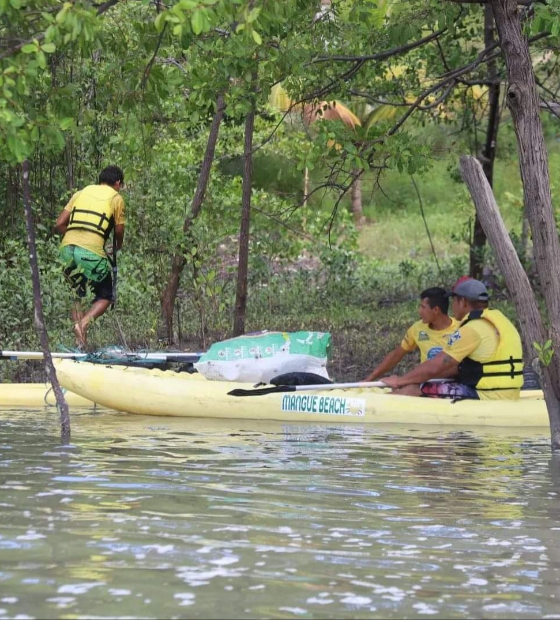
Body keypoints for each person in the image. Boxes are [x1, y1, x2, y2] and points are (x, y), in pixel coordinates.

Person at [382, 278, 524, 400]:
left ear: (462, 302)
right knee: (417, 383)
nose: (452, 306)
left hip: (486, 395)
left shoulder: (471, 329)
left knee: (414, 389)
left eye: (454, 300)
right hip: (510, 393)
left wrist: (400, 381)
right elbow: (453, 369)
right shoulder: (501, 321)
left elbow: (436, 366)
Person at [56, 165, 125, 349]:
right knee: (105, 296)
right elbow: (119, 230)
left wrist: (74, 240)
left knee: (77, 294)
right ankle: (83, 324)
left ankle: (80, 345)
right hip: (91, 253)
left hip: (67, 249)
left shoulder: (80, 193)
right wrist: (117, 247)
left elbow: (60, 223)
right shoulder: (116, 198)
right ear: (117, 183)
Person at [363, 287, 460, 394]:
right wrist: (369, 379)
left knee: (405, 391)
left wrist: (405, 380)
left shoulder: (461, 329)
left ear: (436, 310)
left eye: (423, 307)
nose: (419, 311)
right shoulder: (417, 328)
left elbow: (455, 368)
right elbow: (396, 354)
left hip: (452, 383)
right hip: (424, 381)